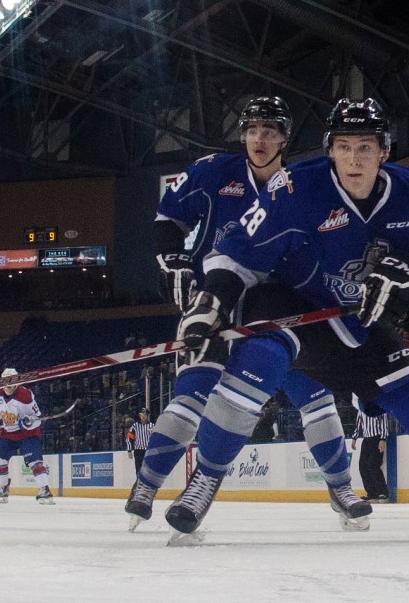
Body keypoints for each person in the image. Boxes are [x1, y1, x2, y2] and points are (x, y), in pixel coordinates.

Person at [165, 98, 409, 539]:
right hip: (284, 302)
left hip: (351, 320)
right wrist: (210, 307)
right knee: (258, 361)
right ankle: (204, 480)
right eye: (345, 146)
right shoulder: (292, 188)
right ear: (329, 150)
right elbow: (235, 256)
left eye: (366, 147)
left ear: (385, 151)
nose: (355, 159)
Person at [127, 97, 367, 533]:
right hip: (214, 302)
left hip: (279, 311)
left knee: (316, 398)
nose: (260, 138)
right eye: (253, 129)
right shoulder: (214, 170)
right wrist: (171, 261)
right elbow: (168, 219)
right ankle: (147, 484)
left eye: (270, 130)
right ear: (243, 134)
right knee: (193, 392)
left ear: (284, 138)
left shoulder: (303, 185)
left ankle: (340, 486)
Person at [0, 368, 54, 504]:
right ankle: (3, 490)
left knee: (34, 461)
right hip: (9, 433)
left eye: (12, 380)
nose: (9, 384)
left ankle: (45, 491)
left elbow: (38, 418)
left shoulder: (25, 396)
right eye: (6, 380)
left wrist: (28, 422)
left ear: (18, 381)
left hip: (27, 434)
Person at [351, 405, 389, 502]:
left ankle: (382, 492)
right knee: (362, 466)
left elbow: (384, 421)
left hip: (377, 438)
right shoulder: (361, 407)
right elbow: (358, 423)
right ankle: (372, 493)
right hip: (366, 439)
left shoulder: (377, 406)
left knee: (373, 465)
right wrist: (354, 438)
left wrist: (383, 438)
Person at [126, 408, 153, 474]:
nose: (144, 416)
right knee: (139, 469)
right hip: (138, 451)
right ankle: (139, 482)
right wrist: (129, 450)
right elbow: (129, 438)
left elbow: (155, 438)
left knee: (147, 469)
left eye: (145, 414)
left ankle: (146, 483)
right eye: (142, 414)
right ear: (140, 415)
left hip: (148, 451)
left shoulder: (152, 426)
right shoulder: (135, 426)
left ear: (147, 416)